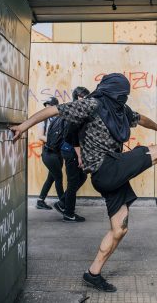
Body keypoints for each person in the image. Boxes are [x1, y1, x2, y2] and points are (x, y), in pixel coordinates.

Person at [10, 73, 157, 292]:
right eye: (122, 94)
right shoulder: (92, 104)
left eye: (127, 95)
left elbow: (141, 119)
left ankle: (93, 273)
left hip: (113, 171)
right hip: (105, 169)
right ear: (111, 91)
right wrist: (23, 126)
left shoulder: (121, 110)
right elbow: (53, 110)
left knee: (119, 229)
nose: (124, 98)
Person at [53, 87, 91, 222]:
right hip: (71, 151)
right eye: (83, 97)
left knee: (82, 177)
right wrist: (79, 156)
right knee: (73, 182)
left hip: (71, 150)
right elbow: (71, 136)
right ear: (77, 97)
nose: (86, 99)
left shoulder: (77, 110)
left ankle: (62, 202)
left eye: (87, 96)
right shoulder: (74, 112)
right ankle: (69, 213)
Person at [35, 97, 64, 210]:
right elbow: (40, 136)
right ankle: (63, 203)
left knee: (51, 178)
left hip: (58, 153)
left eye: (49, 106)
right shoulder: (43, 120)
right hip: (49, 153)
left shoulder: (61, 118)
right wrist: (55, 140)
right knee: (58, 177)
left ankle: (40, 200)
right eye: (46, 106)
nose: (47, 108)